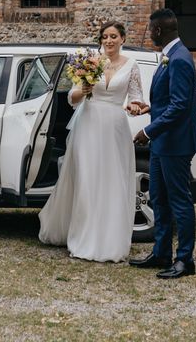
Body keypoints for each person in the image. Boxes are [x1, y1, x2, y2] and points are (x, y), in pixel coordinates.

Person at [38, 21, 149, 262]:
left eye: (113, 36)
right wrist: (85, 88)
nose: (109, 41)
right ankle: (84, 238)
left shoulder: (132, 65)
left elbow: (137, 98)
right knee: (88, 181)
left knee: (113, 181)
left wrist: (134, 106)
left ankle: (110, 240)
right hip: (88, 126)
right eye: (105, 37)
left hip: (115, 127)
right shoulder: (90, 62)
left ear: (122, 39)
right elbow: (72, 98)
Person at [131, 8, 196, 279]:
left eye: (151, 30)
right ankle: (161, 252)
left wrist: (148, 131)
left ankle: (185, 260)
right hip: (163, 143)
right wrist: (150, 108)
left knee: (180, 202)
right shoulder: (169, 56)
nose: (150, 34)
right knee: (159, 199)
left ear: (159, 30)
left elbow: (181, 105)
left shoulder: (180, 59)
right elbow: (168, 102)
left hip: (176, 143)